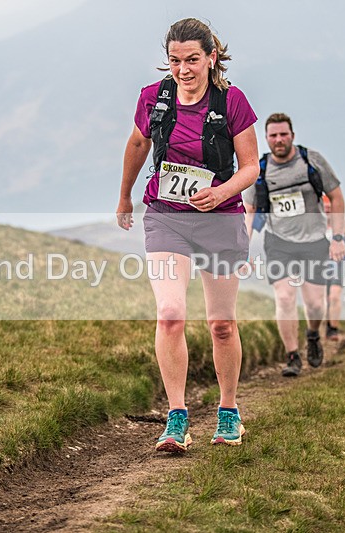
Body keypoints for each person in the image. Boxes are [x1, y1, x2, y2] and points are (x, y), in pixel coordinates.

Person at [116, 18, 259, 452]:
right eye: (175, 61)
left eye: (193, 60)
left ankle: (229, 412)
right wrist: (124, 197)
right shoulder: (153, 99)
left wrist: (220, 193)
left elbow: (251, 166)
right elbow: (139, 145)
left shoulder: (232, 101)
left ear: (211, 57)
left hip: (220, 217)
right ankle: (176, 418)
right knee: (171, 314)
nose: (183, 70)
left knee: (220, 324)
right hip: (166, 216)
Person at [242, 113, 345, 377]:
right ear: (266, 139)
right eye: (273, 136)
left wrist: (337, 238)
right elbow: (250, 210)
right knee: (285, 297)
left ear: (292, 135)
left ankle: (312, 334)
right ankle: (292, 355)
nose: (279, 140)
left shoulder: (312, 161)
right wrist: (242, 248)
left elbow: (336, 198)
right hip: (278, 243)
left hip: (314, 242)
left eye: (283, 134)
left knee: (314, 305)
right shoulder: (261, 169)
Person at [322, 194, 345, 342]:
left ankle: (333, 329)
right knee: (324, 299)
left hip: (338, 263)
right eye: (324, 208)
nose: (327, 211)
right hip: (319, 265)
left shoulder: (342, 224)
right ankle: (326, 323)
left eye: (329, 208)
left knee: (335, 295)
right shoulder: (316, 225)